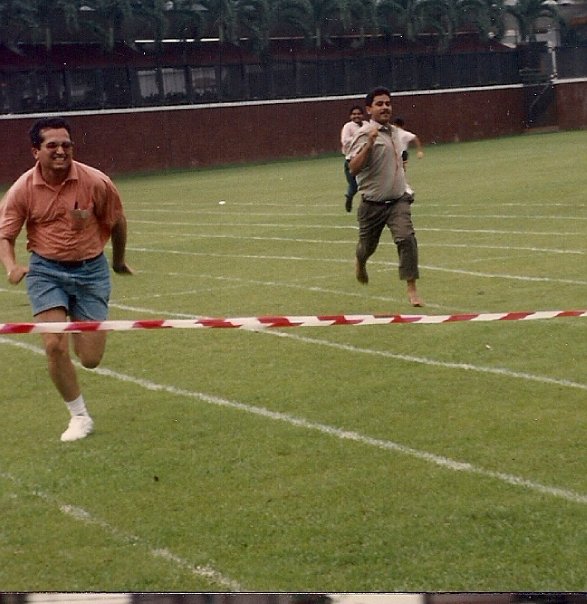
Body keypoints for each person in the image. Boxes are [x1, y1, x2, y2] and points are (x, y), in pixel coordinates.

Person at [0, 117, 133, 442]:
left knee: (90, 359)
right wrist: (11, 266)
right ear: (36, 151)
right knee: (54, 345)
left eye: (66, 145)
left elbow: (117, 222)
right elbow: (5, 235)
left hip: (91, 271)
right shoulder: (22, 189)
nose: (61, 151)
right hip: (46, 272)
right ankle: (79, 416)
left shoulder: (95, 181)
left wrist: (117, 261)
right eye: (52, 146)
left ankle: (77, 317)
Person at [348, 87, 423, 307]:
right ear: (369, 109)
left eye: (388, 103)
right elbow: (353, 168)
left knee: (406, 239)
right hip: (372, 204)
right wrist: (369, 144)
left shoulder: (396, 132)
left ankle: (412, 289)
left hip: (398, 201)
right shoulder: (364, 134)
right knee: (367, 247)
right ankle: (360, 261)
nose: (385, 107)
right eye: (379, 104)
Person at [340, 105, 365, 212]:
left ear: (362, 115)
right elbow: (345, 140)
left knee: (367, 184)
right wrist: (359, 137)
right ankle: (349, 197)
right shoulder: (348, 126)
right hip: (351, 160)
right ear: (350, 116)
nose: (356, 116)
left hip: (365, 160)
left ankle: (366, 206)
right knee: (354, 185)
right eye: (354, 114)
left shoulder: (366, 125)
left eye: (359, 114)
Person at [392, 116, 424, 194]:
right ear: (403, 125)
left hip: (394, 154)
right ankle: (405, 188)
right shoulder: (404, 133)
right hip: (403, 154)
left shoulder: (391, 131)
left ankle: (406, 189)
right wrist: (419, 150)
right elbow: (415, 138)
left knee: (397, 173)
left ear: (394, 124)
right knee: (401, 172)